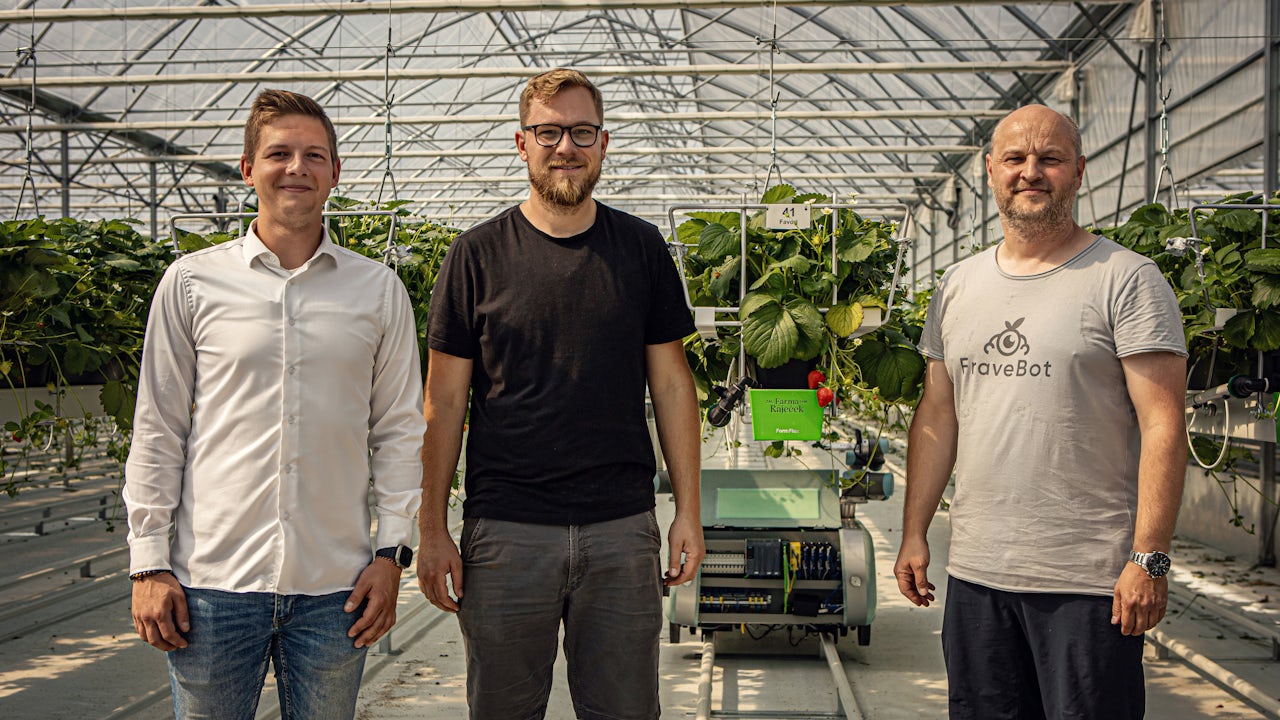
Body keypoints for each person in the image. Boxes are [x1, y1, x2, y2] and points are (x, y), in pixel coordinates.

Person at [123, 89, 426, 720]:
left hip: (334, 589)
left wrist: (392, 554)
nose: (298, 167)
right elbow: (158, 427)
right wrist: (147, 563)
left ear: (335, 173)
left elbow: (398, 431)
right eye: (279, 153)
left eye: (314, 154)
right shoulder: (191, 283)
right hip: (210, 586)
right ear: (247, 169)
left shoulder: (378, 289)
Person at [416, 68, 704, 720]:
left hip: (621, 530)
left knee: (626, 710)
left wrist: (688, 510)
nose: (565, 147)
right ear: (522, 143)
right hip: (506, 533)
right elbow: (444, 403)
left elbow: (672, 385)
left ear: (603, 143)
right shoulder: (475, 256)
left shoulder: (640, 248)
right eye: (549, 132)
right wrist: (431, 529)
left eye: (580, 132)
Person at [892, 104, 1187, 719]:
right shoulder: (958, 284)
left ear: (1078, 172)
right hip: (977, 573)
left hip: (1087, 583)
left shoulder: (1127, 279)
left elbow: (1164, 424)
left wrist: (1149, 557)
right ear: (991, 172)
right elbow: (938, 416)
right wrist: (914, 532)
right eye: (1016, 159)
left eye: (1050, 159)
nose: (1032, 172)